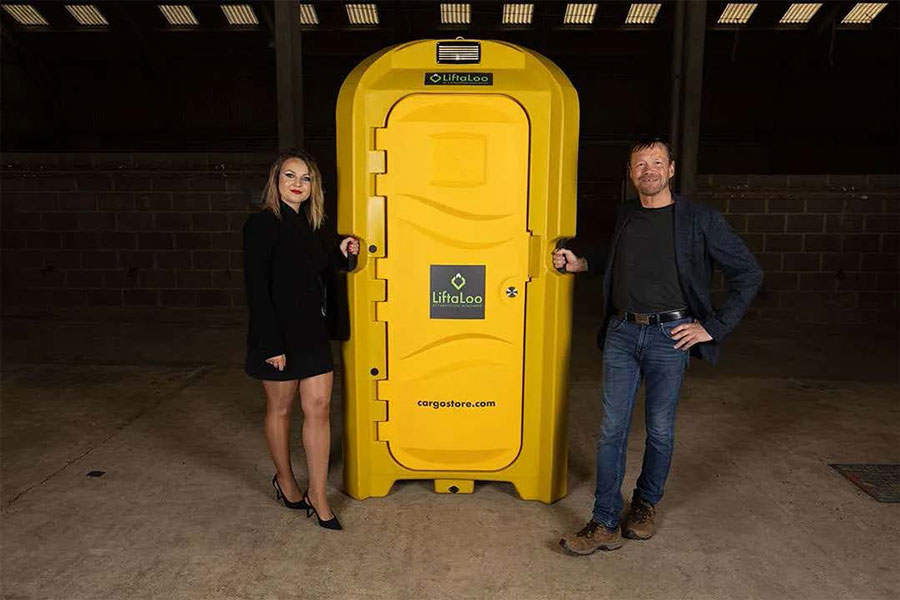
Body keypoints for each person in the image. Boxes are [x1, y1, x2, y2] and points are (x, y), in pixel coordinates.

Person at [555, 139, 762, 555]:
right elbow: (614, 259)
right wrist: (578, 264)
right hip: (622, 334)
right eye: (639, 165)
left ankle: (645, 505)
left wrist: (713, 327)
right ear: (631, 175)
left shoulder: (699, 219)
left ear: (670, 170)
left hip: (671, 337)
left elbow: (749, 272)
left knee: (660, 430)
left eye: (656, 163)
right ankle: (604, 521)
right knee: (611, 431)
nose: (647, 170)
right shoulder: (626, 216)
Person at [243, 150, 359, 530]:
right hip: (277, 335)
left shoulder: (315, 225)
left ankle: (319, 494)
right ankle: (287, 480)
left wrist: (343, 253)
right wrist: (270, 344)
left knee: (320, 408)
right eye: (289, 176)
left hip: (311, 332)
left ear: (313, 187)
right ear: (275, 181)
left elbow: (320, 268)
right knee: (281, 410)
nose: (297, 184)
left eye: (305, 178)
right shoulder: (261, 225)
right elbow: (257, 289)